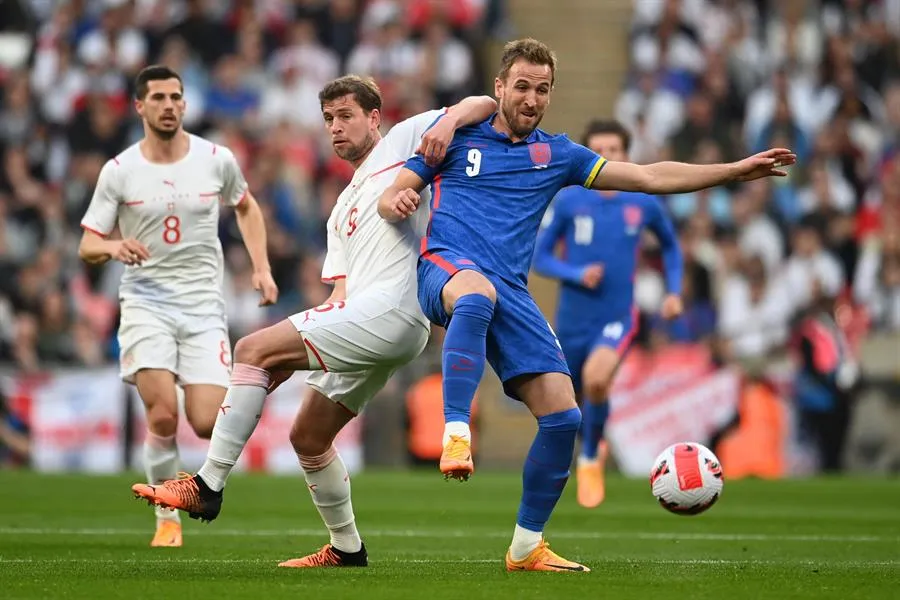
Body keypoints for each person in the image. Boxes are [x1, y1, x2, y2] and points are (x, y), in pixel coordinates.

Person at [377, 38, 796, 572]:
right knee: (476, 295)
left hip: (509, 288)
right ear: (500, 88)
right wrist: (403, 198)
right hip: (446, 270)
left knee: (563, 416)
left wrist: (734, 171)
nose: (531, 99)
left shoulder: (558, 155)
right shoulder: (456, 138)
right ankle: (456, 430)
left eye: (542, 89)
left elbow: (647, 176)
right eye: (522, 87)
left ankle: (527, 547)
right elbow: (392, 196)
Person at [132, 75, 497, 568]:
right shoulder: (342, 205)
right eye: (328, 119)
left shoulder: (404, 140)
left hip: (396, 309)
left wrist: (450, 119)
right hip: (367, 317)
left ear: (373, 117)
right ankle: (347, 549)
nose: (336, 128)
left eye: (346, 116)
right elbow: (340, 295)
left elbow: (486, 102)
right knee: (307, 435)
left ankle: (207, 484)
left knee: (250, 350)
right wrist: (293, 357)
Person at [79, 65, 278, 548]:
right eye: (159, 98)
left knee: (208, 421)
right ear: (140, 106)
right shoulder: (120, 170)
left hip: (204, 306)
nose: (169, 105)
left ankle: (189, 488)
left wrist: (261, 267)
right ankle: (166, 518)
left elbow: (247, 207)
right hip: (146, 303)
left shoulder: (216, 158)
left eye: (176, 97)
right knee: (163, 414)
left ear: (185, 104)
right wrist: (113, 246)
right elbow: (88, 242)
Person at [532, 119, 684, 509]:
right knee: (568, 402)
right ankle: (588, 448)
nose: (607, 156)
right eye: (598, 149)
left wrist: (674, 292)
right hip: (571, 322)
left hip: (617, 315)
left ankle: (588, 460)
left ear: (626, 155)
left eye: (614, 150)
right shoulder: (568, 200)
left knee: (597, 380)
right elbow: (540, 256)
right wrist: (576, 273)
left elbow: (670, 245)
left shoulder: (642, 201)